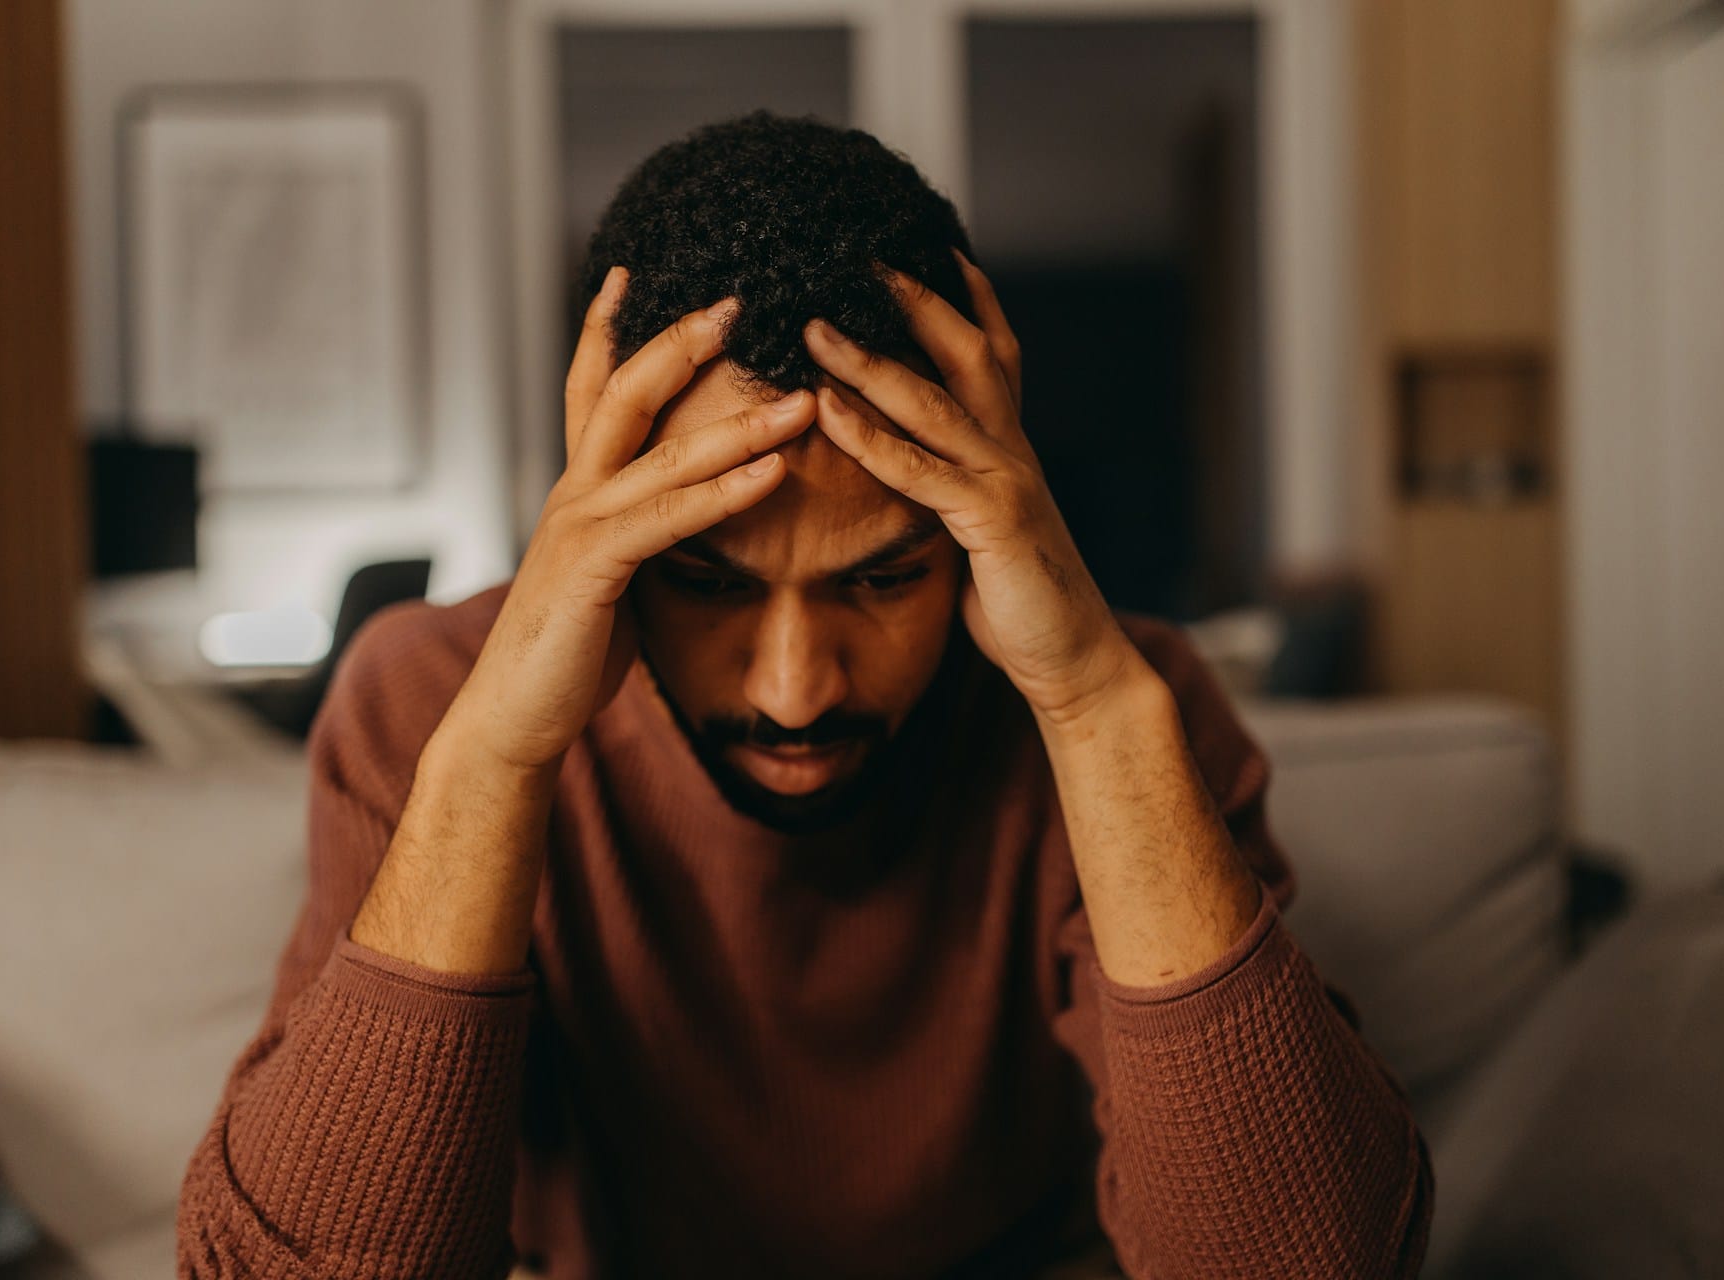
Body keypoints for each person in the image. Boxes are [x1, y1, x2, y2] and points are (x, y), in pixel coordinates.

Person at [175, 109, 1432, 1280]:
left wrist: (1097, 706)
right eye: (706, 584)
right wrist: (498, 759)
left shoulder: (1124, 706)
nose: (792, 691)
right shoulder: (428, 702)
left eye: (887, 576)